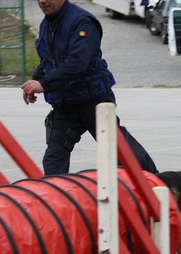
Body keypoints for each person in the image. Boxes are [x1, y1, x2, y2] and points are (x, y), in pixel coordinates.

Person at [21, 0, 159, 175]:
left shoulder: (82, 21)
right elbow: (47, 60)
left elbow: (78, 62)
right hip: (66, 106)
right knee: (54, 158)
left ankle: (156, 184)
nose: (42, 1)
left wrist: (43, 84)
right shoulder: (46, 25)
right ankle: (56, 198)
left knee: (124, 154)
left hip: (93, 103)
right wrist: (35, 80)